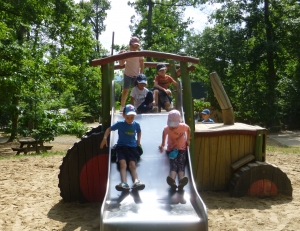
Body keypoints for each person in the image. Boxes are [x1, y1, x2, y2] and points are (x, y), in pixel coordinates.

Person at [100, 104, 145, 191]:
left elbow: (139, 131)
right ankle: (124, 183)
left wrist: (139, 140)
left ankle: (136, 182)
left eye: (132, 117)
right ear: (123, 115)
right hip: (121, 147)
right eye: (128, 117)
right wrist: (105, 138)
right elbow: (109, 129)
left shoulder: (136, 124)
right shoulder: (120, 124)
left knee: (132, 165)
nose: (130, 119)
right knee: (123, 164)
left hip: (132, 148)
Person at [158, 109, 190, 190]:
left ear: (179, 122)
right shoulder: (167, 128)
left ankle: (181, 181)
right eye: (170, 124)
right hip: (171, 150)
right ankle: (172, 180)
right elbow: (164, 132)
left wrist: (188, 139)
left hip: (182, 149)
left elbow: (188, 129)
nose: (172, 127)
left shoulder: (182, 126)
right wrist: (163, 144)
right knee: (174, 164)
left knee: (181, 164)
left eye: (174, 125)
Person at [119, 37, 144, 112]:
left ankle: (136, 106)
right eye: (133, 46)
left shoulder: (139, 54)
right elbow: (121, 64)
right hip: (127, 74)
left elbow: (142, 64)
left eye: (136, 47)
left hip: (136, 75)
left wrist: (141, 74)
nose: (135, 48)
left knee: (136, 91)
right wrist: (121, 56)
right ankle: (122, 106)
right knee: (125, 90)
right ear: (130, 45)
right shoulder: (126, 53)